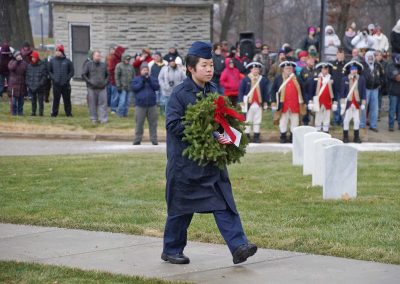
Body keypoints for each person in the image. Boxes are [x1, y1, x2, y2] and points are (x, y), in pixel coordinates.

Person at [162, 41, 257, 265]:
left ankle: (239, 246)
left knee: (223, 202)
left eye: (211, 65)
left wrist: (230, 135)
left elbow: (222, 118)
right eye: (204, 65)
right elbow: (173, 125)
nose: (209, 69)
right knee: (181, 209)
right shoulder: (179, 94)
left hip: (211, 162)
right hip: (186, 164)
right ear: (191, 68)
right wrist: (201, 127)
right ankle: (171, 249)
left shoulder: (214, 90)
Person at [271, 61, 305, 143]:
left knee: (295, 121)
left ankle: (293, 137)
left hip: (295, 104)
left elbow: (303, 90)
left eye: (290, 68)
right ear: (283, 69)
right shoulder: (278, 78)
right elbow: (273, 90)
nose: (288, 70)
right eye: (286, 68)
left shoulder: (297, 78)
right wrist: (273, 101)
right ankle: (283, 136)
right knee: (283, 121)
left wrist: (304, 102)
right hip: (283, 104)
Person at [238, 62, 269, 143]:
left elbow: (265, 92)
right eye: (254, 69)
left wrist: (266, 101)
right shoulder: (245, 79)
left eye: (257, 69)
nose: (256, 70)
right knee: (248, 120)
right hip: (248, 104)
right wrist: (241, 101)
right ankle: (247, 135)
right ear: (251, 69)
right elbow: (241, 91)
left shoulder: (262, 79)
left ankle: (256, 136)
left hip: (259, 103)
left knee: (257, 120)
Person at [131, 62, 159, 145]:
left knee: (153, 123)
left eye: (146, 70)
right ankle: (137, 139)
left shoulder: (153, 78)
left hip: (152, 105)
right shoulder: (136, 79)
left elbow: (157, 87)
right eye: (144, 70)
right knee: (139, 123)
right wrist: (142, 81)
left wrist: (149, 80)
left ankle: (154, 139)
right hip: (140, 105)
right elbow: (134, 88)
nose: (145, 71)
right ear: (140, 71)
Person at [340, 61, 366, 143]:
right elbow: (342, 92)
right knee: (346, 120)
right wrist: (343, 103)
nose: (354, 71)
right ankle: (345, 137)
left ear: (357, 70)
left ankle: (356, 137)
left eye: (355, 69)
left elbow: (363, 92)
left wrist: (363, 103)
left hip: (357, 103)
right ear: (350, 70)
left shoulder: (361, 79)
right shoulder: (345, 79)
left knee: (357, 120)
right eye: (352, 69)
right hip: (348, 103)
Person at [82, 50, 109, 124]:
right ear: (93, 56)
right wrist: (89, 82)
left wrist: (105, 83)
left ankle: (103, 119)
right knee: (92, 104)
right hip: (91, 88)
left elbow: (108, 75)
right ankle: (94, 119)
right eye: (97, 56)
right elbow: (84, 74)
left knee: (103, 104)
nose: (98, 57)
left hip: (102, 88)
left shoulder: (104, 65)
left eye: (99, 56)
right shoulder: (88, 64)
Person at [360, 51, 384, 132]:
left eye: (371, 57)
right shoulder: (362, 66)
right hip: (365, 89)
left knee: (374, 108)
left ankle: (373, 125)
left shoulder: (378, 65)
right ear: (366, 57)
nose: (370, 58)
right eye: (369, 57)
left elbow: (382, 75)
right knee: (363, 107)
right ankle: (362, 124)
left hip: (375, 89)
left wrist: (380, 83)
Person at [309, 62, 337, 133]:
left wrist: (335, 102)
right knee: (318, 117)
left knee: (327, 117)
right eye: (323, 69)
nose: (325, 71)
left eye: (326, 69)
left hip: (328, 101)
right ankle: (318, 131)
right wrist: (310, 101)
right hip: (319, 101)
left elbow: (335, 91)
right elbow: (311, 90)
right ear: (321, 70)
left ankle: (325, 131)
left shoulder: (331, 79)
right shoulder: (316, 78)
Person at [48, 44, 74, 117]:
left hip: (66, 85)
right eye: (56, 51)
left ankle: (68, 113)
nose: (57, 52)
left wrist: (67, 79)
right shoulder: (52, 61)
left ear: (62, 52)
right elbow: (49, 71)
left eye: (59, 51)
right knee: (56, 100)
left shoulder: (67, 61)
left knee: (67, 100)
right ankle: (54, 113)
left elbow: (72, 72)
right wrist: (54, 78)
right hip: (56, 84)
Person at [26, 51, 48, 116]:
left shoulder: (42, 65)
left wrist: (40, 84)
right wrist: (29, 84)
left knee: (41, 101)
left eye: (34, 57)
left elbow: (44, 76)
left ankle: (41, 113)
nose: (33, 59)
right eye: (32, 57)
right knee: (33, 101)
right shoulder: (29, 66)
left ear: (37, 58)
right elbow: (27, 76)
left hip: (40, 87)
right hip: (32, 86)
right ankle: (33, 112)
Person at [7, 51, 28, 115]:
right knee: (13, 101)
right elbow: (11, 68)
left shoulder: (24, 63)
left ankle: (20, 112)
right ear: (15, 56)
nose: (19, 56)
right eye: (17, 55)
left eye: (19, 55)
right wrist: (17, 61)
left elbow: (26, 71)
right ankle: (14, 112)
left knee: (21, 101)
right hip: (13, 84)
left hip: (22, 83)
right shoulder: (11, 62)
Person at [331, 48, 347, 125]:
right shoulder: (333, 64)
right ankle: (335, 120)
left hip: (343, 89)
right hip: (335, 88)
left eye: (341, 54)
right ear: (336, 55)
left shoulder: (346, 65)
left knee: (342, 105)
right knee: (336, 105)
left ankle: (342, 121)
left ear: (344, 55)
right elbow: (330, 75)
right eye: (338, 54)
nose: (340, 55)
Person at [299, 57, 317, 125]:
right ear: (307, 61)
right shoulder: (303, 70)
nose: (312, 61)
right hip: (305, 93)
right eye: (310, 60)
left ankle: (314, 124)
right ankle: (305, 123)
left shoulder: (317, 70)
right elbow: (301, 82)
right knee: (306, 110)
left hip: (315, 94)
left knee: (314, 110)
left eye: (313, 60)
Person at [108, 46, 126, 113]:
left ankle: (118, 108)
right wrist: (118, 73)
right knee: (115, 95)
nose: (123, 53)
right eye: (122, 52)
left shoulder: (120, 59)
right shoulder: (113, 59)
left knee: (119, 95)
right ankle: (113, 108)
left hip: (121, 81)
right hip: (114, 80)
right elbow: (111, 69)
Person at [387, 53, 400, 131]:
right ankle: (391, 125)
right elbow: (394, 77)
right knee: (392, 109)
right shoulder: (391, 66)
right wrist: (396, 77)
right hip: (393, 92)